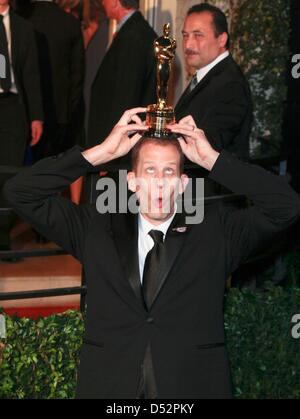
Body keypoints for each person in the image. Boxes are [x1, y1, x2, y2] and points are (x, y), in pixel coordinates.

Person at [4, 108, 300, 398]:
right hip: (110, 385)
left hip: (192, 384)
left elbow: (286, 206)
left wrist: (213, 160)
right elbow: (20, 192)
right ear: (132, 181)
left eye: (169, 171)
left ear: (184, 184)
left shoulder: (216, 232)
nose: (159, 182)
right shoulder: (95, 228)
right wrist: (99, 154)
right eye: (150, 171)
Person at [175, 3, 252, 159]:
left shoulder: (230, 84)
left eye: (198, 35)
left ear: (222, 39)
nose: (188, 44)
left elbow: (211, 145)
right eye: (185, 35)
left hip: (207, 181)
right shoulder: (208, 74)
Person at [0, 0, 43, 257]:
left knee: (9, 174)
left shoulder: (24, 27)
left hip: (14, 109)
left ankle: (2, 241)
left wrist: (36, 117)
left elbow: (31, 74)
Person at [87, 0, 157, 158]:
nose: (102, 2)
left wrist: (109, 149)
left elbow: (124, 97)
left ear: (115, 2)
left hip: (118, 147)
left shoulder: (133, 36)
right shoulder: (132, 30)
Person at [24, 0, 85, 160]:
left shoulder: (22, 21)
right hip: (61, 112)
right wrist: (71, 109)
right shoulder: (70, 23)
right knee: (55, 167)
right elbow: (77, 74)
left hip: (26, 111)